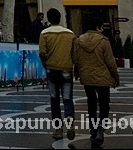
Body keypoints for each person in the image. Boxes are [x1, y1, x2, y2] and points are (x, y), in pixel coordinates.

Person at [74, 21, 119, 148]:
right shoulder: (103, 41)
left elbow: (75, 58)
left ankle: (93, 131)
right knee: (104, 105)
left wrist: (77, 72)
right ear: (98, 28)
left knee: (91, 104)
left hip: (87, 77)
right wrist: (116, 77)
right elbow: (110, 62)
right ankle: (101, 128)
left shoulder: (78, 41)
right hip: (102, 78)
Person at [38, 8, 77, 140]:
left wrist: (46, 62)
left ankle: (58, 129)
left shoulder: (44, 33)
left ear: (49, 19)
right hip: (66, 69)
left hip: (52, 69)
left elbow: (42, 52)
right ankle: (70, 121)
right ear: (60, 18)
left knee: (54, 99)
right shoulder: (70, 33)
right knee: (67, 98)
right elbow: (75, 53)